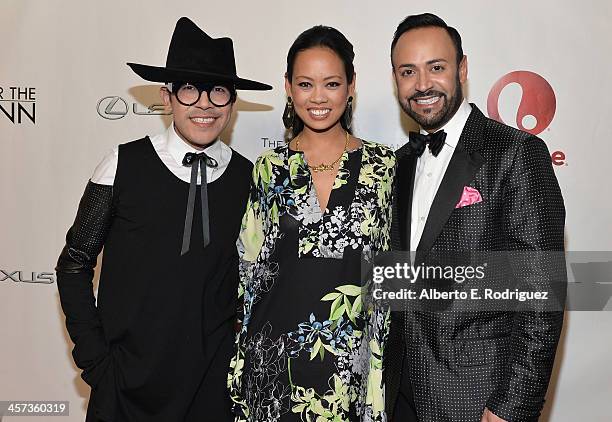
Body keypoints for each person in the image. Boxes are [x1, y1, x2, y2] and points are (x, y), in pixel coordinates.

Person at [55, 17, 271, 422]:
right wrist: (97, 363)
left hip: (213, 393)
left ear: (232, 101)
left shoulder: (248, 178)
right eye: (190, 89)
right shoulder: (122, 165)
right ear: (167, 97)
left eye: (218, 91)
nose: (204, 104)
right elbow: (74, 263)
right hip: (126, 389)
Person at [384, 13, 566, 422]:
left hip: (477, 399)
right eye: (408, 71)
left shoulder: (516, 153)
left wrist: (510, 407)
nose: (422, 84)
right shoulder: (399, 164)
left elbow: (542, 292)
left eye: (437, 67)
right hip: (400, 394)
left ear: (462, 68)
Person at [227, 25, 395, 421]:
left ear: (351, 86)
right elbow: (247, 275)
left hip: (352, 376)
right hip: (274, 373)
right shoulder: (269, 169)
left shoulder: (385, 167)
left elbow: (392, 275)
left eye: (331, 83)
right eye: (305, 84)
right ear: (288, 87)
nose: (318, 97)